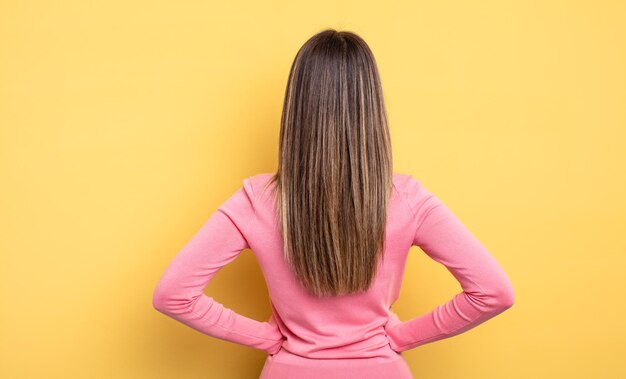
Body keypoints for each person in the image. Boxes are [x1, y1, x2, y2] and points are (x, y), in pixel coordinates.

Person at [152, 28, 515, 379]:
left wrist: (265, 339)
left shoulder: (255, 200)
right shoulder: (406, 200)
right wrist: (402, 337)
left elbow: (173, 295)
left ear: (296, 108)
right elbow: (494, 292)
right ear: (371, 109)